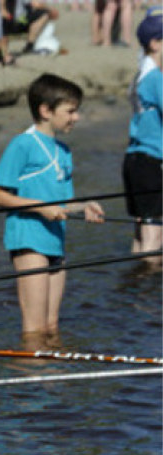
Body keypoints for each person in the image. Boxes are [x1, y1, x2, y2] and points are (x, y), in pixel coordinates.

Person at [0, 74, 105, 349]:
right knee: (34, 330)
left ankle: (50, 386)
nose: (76, 118)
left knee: (51, 328)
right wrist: (40, 208)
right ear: (45, 111)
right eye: (71, 111)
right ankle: (28, 384)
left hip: (55, 242)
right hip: (28, 240)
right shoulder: (23, 144)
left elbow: (63, 203)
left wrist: (84, 206)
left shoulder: (64, 150)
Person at [123, 7, 162, 266]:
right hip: (151, 161)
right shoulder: (156, 78)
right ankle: (148, 302)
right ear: (155, 43)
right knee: (155, 237)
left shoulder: (141, 74)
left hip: (134, 161)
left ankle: (134, 297)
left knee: (141, 234)